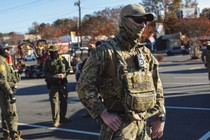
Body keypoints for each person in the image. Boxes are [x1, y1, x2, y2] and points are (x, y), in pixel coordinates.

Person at [76, 3, 166, 139]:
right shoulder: (105, 52)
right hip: (119, 129)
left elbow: (156, 85)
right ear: (124, 20)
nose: (143, 25)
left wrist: (161, 117)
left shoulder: (145, 53)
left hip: (144, 127)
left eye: (145, 21)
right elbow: (84, 87)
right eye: (138, 20)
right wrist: (103, 113)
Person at [43, 45, 70, 127]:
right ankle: (56, 120)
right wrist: (53, 76)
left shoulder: (62, 59)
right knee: (54, 103)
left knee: (64, 100)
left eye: (52, 52)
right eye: (50, 52)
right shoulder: (47, 61)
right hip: (53, 84)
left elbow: (68, 68)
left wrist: (64, 75)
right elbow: (44, 72)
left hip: (62, 83)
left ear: (56, 52)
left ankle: (62, 117)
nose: (51, 53)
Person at [0, 42, 22, 140]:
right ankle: (14, 136)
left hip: (5, 90)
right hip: (5, 92)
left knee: (5, 114)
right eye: (6, 49)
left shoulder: (5, 61)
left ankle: (7, 135)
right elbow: (2, 80)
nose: (8, 51)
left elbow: (10, 77)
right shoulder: (1, 62)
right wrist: (10, 93)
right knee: (11, 114)